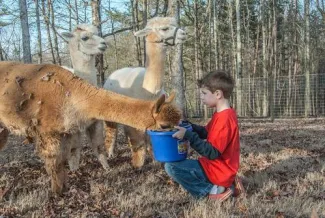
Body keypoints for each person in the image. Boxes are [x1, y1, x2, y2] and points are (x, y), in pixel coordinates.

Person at [164, 70, 245, 201]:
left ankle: (212, 192)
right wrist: (187, 125)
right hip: (215, 167)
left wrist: (189, 135)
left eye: (204, 93)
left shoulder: (225, 119)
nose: (201, 97)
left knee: (171, 167)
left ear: (218, 94)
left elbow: (212, 153)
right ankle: (227, 184)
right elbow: (206, 132)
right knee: (176, 165)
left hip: (217, 170)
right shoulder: (222, 114)